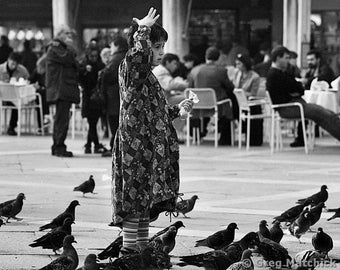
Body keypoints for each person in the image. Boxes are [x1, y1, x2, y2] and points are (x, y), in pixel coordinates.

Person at [111, 8, 193, 255]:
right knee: (134, 201)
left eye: (162, 47)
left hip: (147, 149)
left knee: (144, 202)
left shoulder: (147, 77)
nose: (161, 52)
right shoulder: (132, 68)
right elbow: (138, 56)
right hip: (135, 148)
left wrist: (177, 110)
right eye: (156, 47)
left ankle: (142, 251)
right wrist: (142, 30)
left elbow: (153, 112)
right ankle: (128, 254)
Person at [266, 46, 340, 146]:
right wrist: (295, 91)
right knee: (320, 113)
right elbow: (298, 89)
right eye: (286, 58)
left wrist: (295, 90)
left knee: (327, 112)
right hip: (287, 107)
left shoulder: (282, 73)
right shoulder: (275, 75)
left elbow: (298, 89)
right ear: (278, 58)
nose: (288, 61)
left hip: (293, 104)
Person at [188, 46, 238, 145]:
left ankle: (197, 135)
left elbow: (190, 87)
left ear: (206, 56)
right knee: (229, 100)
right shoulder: (221, 71)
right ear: (218, 58)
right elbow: (230, 87)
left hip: (197, 105)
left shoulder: (195, 70)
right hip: (216, 105)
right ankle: (225, 138)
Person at [46, 25, 80, 157]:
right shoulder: (56, 48)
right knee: (61, 119)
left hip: (63, 88)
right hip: (60, 89)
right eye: (67, 34)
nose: (69, 36)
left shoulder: (60, 48)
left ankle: (58, 145)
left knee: (62, 118)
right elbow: (69, 58)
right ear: (59, 34)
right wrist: (71, 46)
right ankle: (59, 146)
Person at [100, 36, 128, 157]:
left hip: (114, 96)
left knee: (114, 123)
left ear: (116, 46)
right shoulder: (127, 56)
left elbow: (107, 75)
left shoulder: (116, 58)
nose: (110, 48)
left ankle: (115, 147)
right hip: (121, 95)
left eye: (111, 46)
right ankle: (116, 146)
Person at [79, 46, 107, 154]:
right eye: (92, 56)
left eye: (95, 56)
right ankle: (94, 145)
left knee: (93, 122)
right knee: (92, 122)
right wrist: (85, 71)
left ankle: (89, 145)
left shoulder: (100, 66)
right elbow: (80, 79)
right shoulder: (84, 65)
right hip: (89, 96)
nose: (94, 58)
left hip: (96, 97)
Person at [232, 53, 263, 146]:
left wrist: (241, 93)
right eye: (236, 64)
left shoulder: (255, 77)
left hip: (249, 101)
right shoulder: (237, 73)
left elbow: (253, 93)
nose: (237, 66)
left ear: (245, 64)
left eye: (239, 64)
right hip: (237, 100)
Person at [0, 52, 29, 135]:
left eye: (16, 64)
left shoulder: (22, 70)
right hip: (2, 96)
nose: (13, 66)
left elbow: (28, 81)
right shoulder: (0, 69)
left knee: (16, 103)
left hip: (15, 97)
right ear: (8, 60)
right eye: (12, 63)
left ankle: (12, 127)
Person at [29, 53, 50, 134]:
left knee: (42, 95)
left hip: (48, 94)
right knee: (39, 96)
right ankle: (43, 122)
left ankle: (44, 120)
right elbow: (31, 80)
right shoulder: (37, 71)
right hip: (41, 94)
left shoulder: (49, 73)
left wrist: (41, 88)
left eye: (40, 68)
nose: (38, 69)